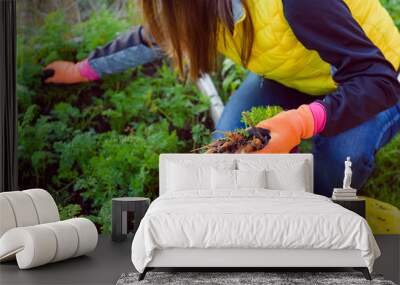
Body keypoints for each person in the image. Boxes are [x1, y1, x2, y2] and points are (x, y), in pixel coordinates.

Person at [43, 0, 400, 197]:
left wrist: (303, 121)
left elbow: (377, 80)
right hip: (294, 73)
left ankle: (317, 217)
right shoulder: (196, 10)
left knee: (336, 163)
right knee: (229, 150)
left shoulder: (299, 4)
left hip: (376, 78)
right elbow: (152, 36)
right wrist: (80, 70)